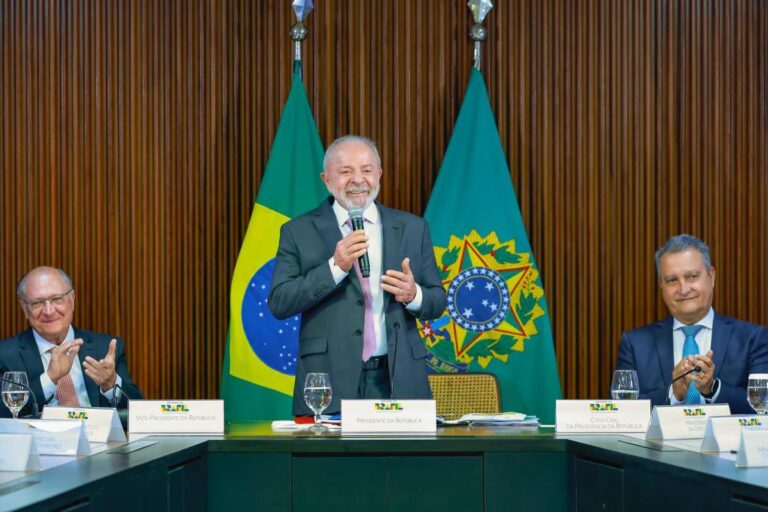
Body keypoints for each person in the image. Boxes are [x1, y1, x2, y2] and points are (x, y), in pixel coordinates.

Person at [269, 135, 447, 416]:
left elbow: (437, 301)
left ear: (379, 175)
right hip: (328, 378)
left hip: (398, 376)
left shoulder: (413, 227)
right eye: (345, 171)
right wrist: (335, 268)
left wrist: (414, 295)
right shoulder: (298, 231)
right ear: (327, 179)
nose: (358, 180)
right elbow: (280, 302)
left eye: (366, 170)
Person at [615, 234, 768, 413]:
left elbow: (763, 407)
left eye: (692, 276)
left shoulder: (753, 339)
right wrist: (673, 393)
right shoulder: (635, 344)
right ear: (661, 286)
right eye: (672, 280)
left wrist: (713, 389)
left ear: (711, 276)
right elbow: (623, 412)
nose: (684, 289)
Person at [0, 266, 143, 418]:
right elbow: (3, 412)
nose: (49, 311)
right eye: (37, 303)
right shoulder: (5, 355)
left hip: (97, 433)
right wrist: (49, 379)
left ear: (72, 299)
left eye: (57, 299)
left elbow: (139, 412)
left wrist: (111, 383)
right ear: (24, 307)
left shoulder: (104, 348)